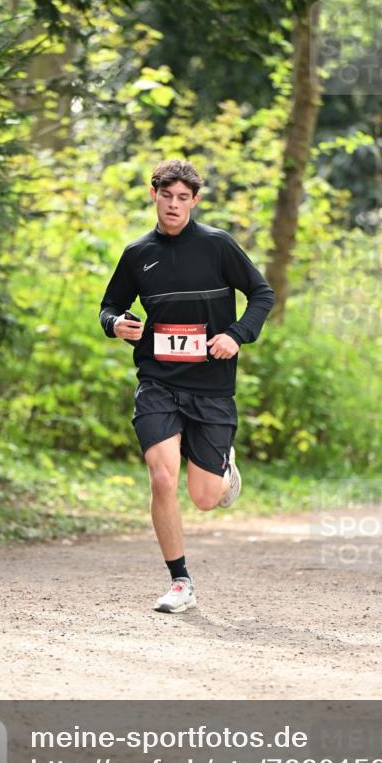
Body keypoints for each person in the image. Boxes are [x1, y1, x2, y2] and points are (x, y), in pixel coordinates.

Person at [99, 159, 275, 613]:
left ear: (194, 202)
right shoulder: (138, 253)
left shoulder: (218, 246)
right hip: (158, 380)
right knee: (162, 477)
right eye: (166, 196)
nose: (173, 205)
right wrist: (116, 323)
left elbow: (262, 293)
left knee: (204, 497)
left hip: (211, 387)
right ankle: (180, 581)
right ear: (153, 195)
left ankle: (223, 470)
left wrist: (235, 336)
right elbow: (110, 305)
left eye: (183, 198)